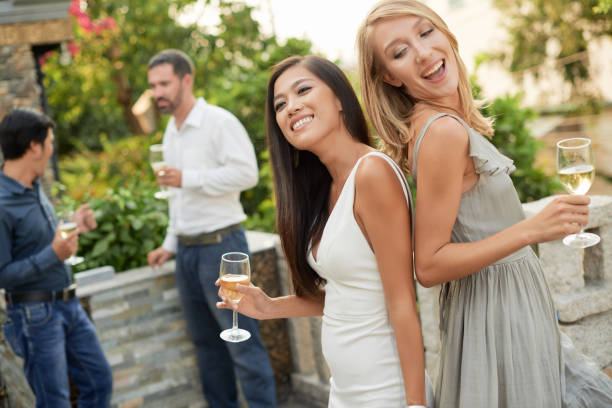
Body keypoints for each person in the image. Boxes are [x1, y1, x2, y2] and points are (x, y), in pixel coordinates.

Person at [356, 1, 612, 407]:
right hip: (497, 319)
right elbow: (429, 264)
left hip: (501, 309)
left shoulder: (438, 123)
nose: (422, 52)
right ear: (389, 77)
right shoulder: (441, 131)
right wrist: (533, 228)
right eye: (399, 52)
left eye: (425, 32)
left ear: (446, 34)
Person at [217, 55, 434, 408]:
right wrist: (269, 307)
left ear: (339, 99)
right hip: (345, 393)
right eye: (281, 104)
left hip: (386, 391)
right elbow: (350, 296)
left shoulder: (372, 175)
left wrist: (415, 404)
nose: (292, 107)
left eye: (303, 90)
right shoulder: (325, 189)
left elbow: (401, 303)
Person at [145, 49, 276, 408]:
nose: (158, 92)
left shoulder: (219, 122)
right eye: (153, 85)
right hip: (186, 252)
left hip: (222, 248)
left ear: (186, 80)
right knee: (206, 345)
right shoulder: (170, 133)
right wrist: (170, 243)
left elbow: (247, 174)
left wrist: (189, 178)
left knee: (242, 342)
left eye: (164, 83)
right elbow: (176, 198)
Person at [0, 108, 113, 408]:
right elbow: (3, 275)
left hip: (68, 305)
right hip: (34, 315)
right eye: (49, 142)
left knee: (99, 382)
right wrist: (54, 254)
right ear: (34, 146)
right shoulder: (1, 203)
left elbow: (39, 239)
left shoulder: (33, 187)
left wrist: (74, 223)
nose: (52, 150)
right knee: (55, 402)